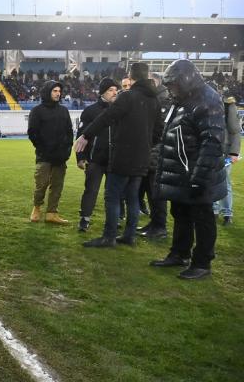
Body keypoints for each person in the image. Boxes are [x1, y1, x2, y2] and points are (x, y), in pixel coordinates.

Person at [150, 59, 227, 280]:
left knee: (202, 217)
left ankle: (202, 262)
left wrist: (199, 178)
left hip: (198, 172)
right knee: (181, 213)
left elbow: (212, 142)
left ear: (185, 80)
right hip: (183, 171)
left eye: (173, 84)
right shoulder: (182, 99)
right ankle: (179, 253)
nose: (171, 89)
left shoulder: (208, 99)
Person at [76, 63, 163, 247]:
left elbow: (106, 117)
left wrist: (86, 135)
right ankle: (129, 236)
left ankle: (109, 237)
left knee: (113, 195)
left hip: (123, 156)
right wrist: (145, 146)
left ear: (131, 77)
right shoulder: (154, 100)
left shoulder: (128, 97)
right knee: (132, 197)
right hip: (142, 157)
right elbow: (158, 131)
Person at [75, 78, 119, 232]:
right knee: (91, 190)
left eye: (115, 90)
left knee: (114, 192)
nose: (114, 93)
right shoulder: (90, 111)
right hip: (95, 160)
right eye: (110, 90)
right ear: (102, 93)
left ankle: (115, 219)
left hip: (115, 160)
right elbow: (81, 136)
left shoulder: (121, 109)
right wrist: (80, 158)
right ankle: (84, 219)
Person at [27, 80, 73, 225]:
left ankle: (52, 213)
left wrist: (67, 150)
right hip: (44, 156)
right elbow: (32, 133)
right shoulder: (37, 110)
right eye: (55, 91)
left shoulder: (64, 111)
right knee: (41, 184)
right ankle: (36, 208)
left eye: (59, 91)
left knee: (57, 185)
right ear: (48, 91)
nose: (58, 93)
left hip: (60, 157)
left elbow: (69, 132)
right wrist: (42, 148)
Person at [137, 72, 172, 239]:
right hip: (148, 152)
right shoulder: (154, 100)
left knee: (156, 192)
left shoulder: (164, 101)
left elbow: (160, 130)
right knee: (150, 192)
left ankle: (160, 226)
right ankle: (154, 223)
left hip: (157, 153)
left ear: (157, 83)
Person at [212, 95, 241, 226]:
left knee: (224, 183)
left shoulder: (229, 105)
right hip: (211, 150)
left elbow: (235, 131)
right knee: (212, 181)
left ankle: (227, 213)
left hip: (224, 152)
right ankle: (214, 210)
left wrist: (234, 152)